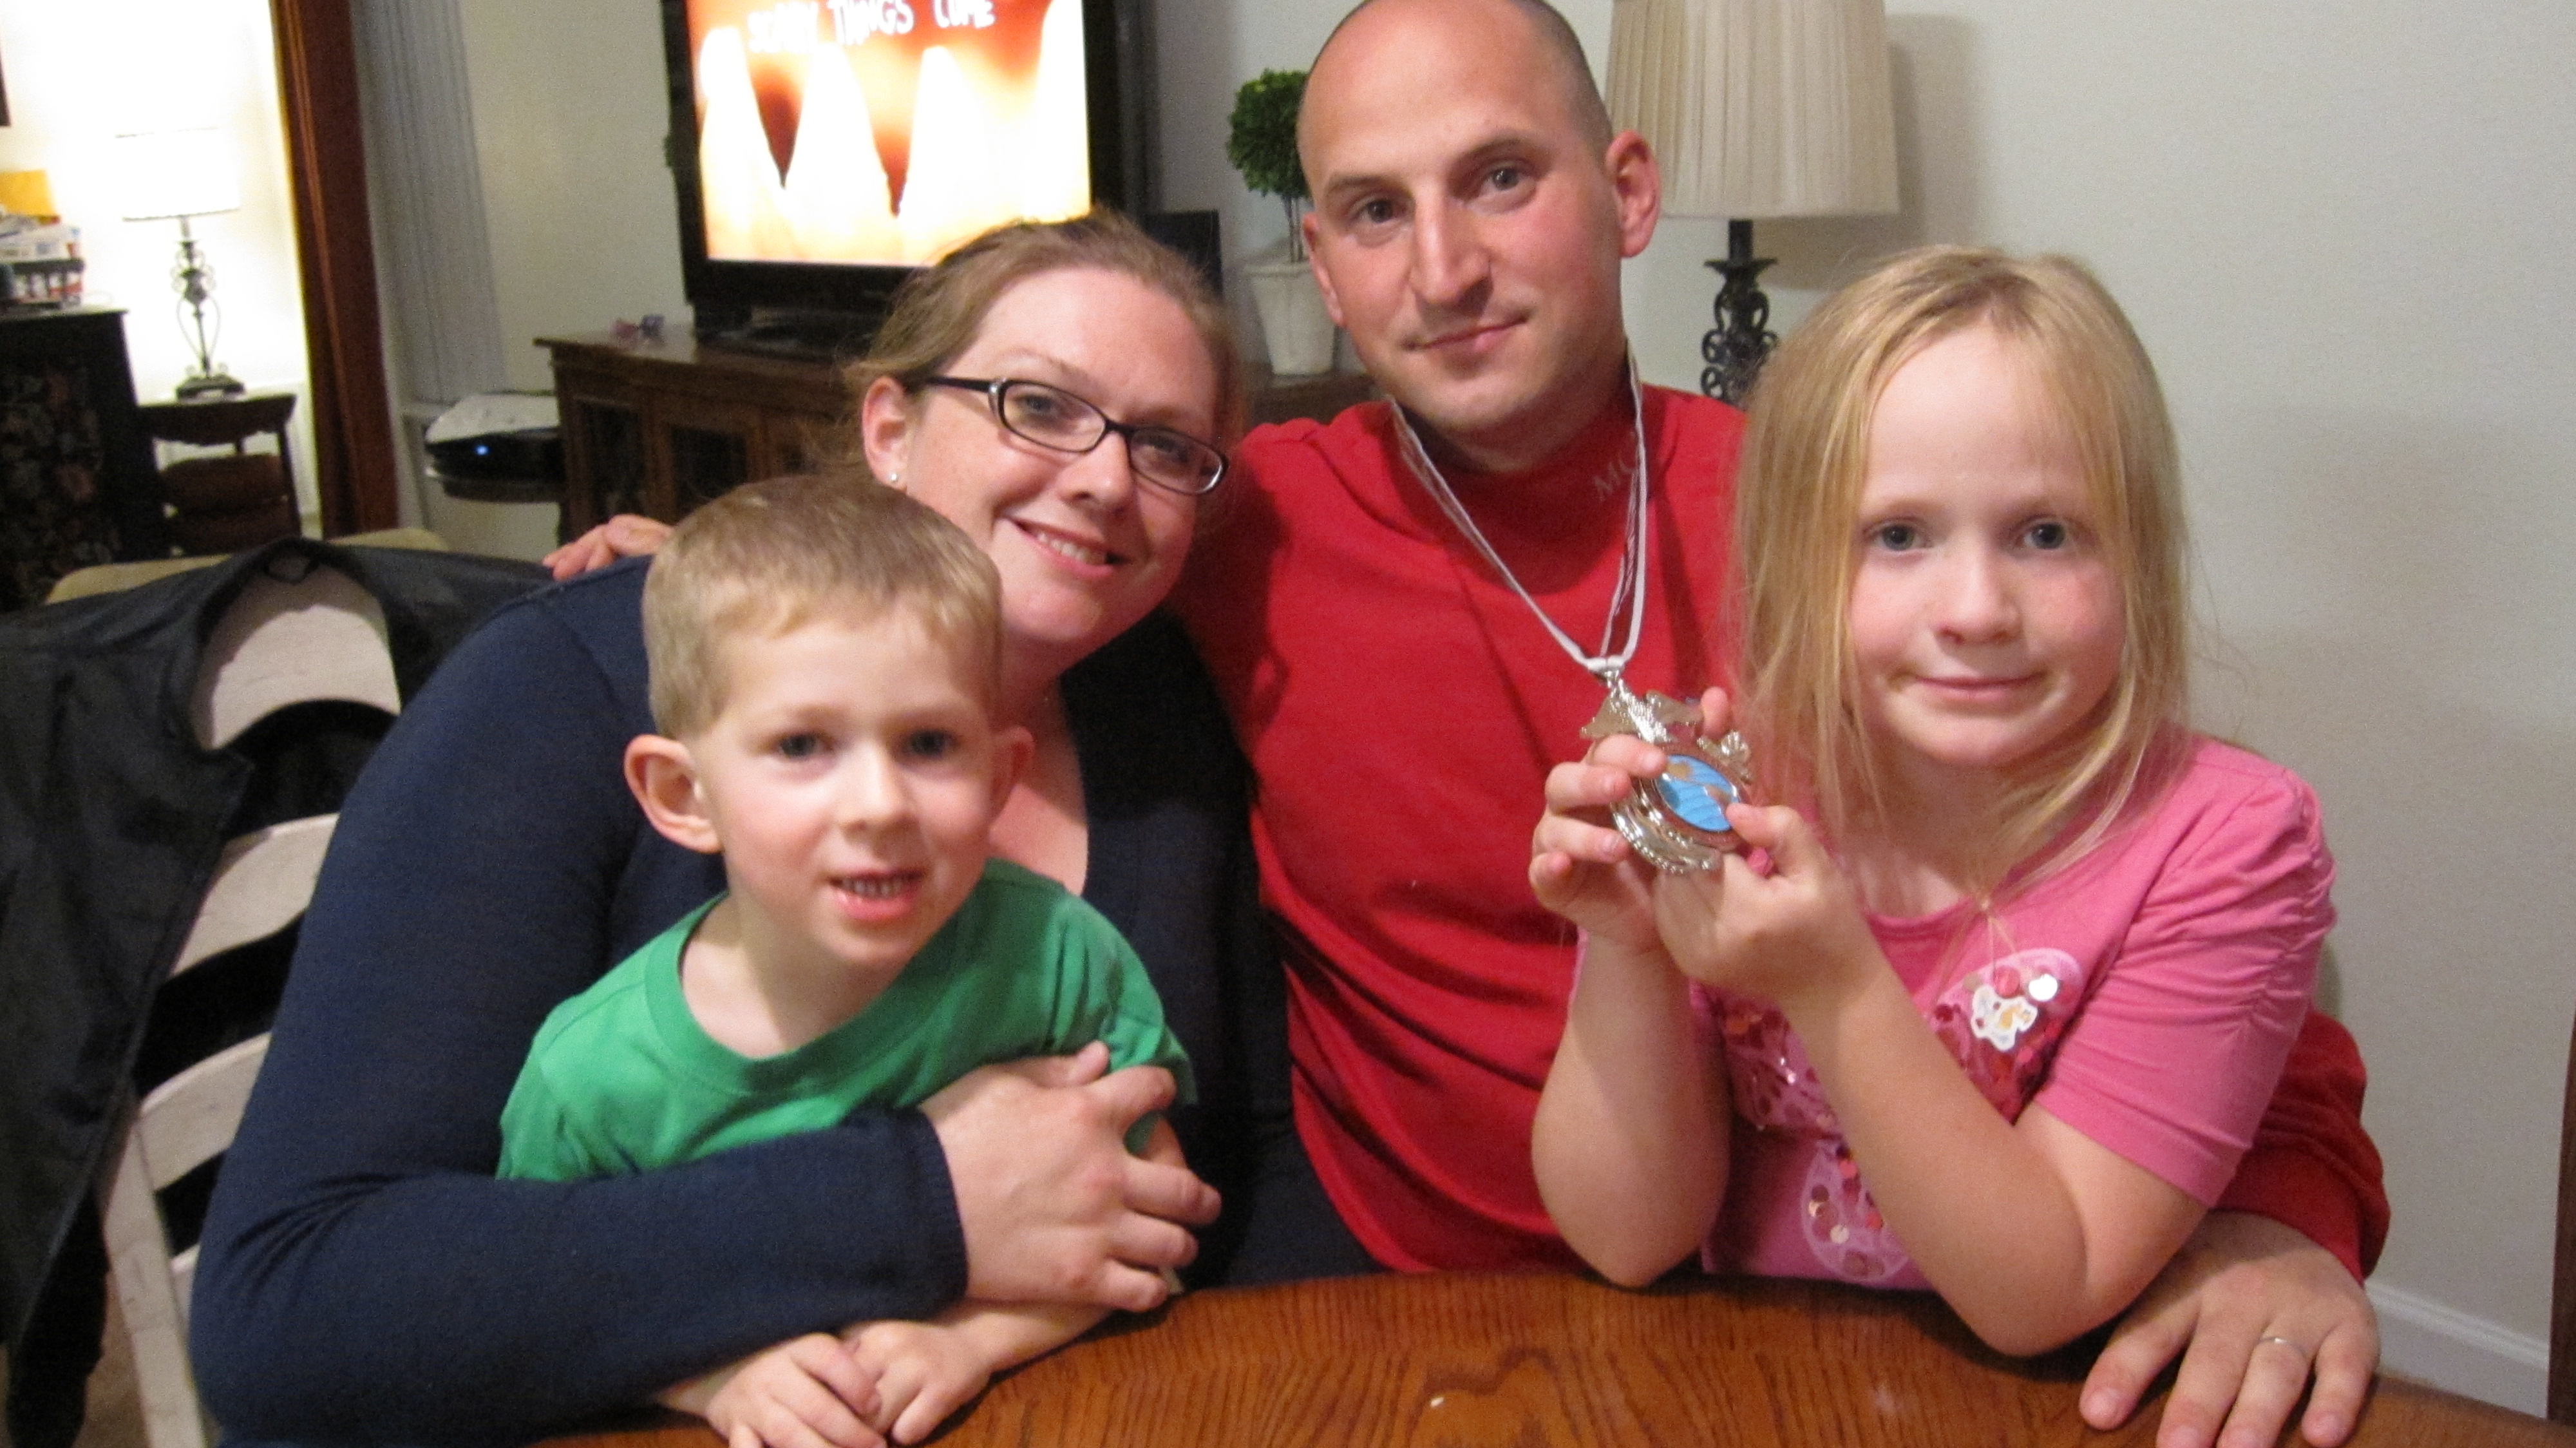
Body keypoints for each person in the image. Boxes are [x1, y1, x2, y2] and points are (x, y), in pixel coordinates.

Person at [1163, 4, 2387, 1446]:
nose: (1444, 268)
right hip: (1412, 1289)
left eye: (1500, 178)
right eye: (1376, 211)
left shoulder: (1856, 520)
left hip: (1871, 1318)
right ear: (1320, 261)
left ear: (1628, 192)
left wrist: (2281, 1210)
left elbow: (2135, 876)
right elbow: (968, 628)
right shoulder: (1233, 527)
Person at [190, 214, 1338, 1446]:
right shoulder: (562, 691)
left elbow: (1243, 1155)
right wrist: (932, 1201)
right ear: (889, 430)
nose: (1106, 479)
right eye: (1039, 405)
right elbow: (290, 1309)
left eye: (1164, 446)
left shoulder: (1155, 708)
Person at [1529, 247, 2331, 1366]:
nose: (1977, 609)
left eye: (2046, 534)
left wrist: (1834, 985)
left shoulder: (2227, 843)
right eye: (1898, 536)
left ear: (2137, 556)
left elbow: (2046, 1290)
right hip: (1739, 1384)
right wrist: (1630, 951)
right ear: (1798, 566)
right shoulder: (1732, 791)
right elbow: (1626, 1238)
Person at [496, 476, 1197, 1448]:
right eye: (801, 744)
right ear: (683, 793)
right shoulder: (587, 1080)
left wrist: (973, 1341)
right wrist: (712, 1379)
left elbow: (1152, 1223)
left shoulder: (1058, 958)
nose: (879, 805)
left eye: (929, 743)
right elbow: (540, 1326)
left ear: (999, 774)